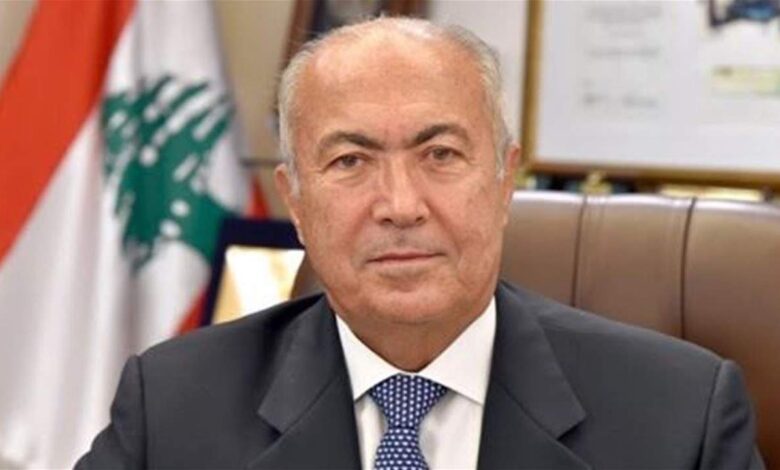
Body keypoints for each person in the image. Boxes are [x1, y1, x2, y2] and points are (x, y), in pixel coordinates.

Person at [77, 17, 763, 469]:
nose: (401, 206)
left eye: (440, 154)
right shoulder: (172, 408)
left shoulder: (681, 418)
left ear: (503, 182)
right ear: (296, 203)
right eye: (350, 161)